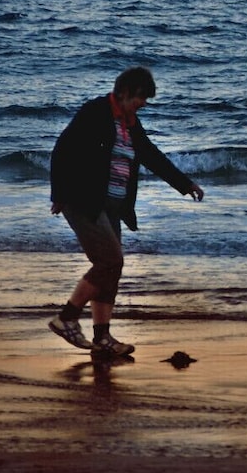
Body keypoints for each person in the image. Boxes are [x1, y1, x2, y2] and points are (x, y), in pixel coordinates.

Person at [48, 66, 204, 355]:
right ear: (124, 92)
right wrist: (59, 193)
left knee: (111, 270)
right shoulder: (95, 112)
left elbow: (152, 157)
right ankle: (66, 319)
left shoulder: (131, 123)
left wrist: (185, 184)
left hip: (113, 206)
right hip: (84, 201)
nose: (143, 103)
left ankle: (102, 338)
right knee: (110, 262)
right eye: (140, 97)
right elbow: (62, 150)